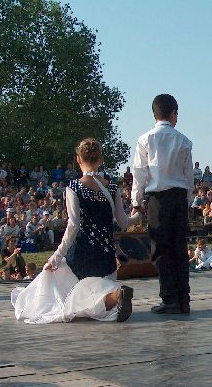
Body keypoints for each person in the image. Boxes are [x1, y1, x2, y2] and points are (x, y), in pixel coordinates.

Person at [11, 138, 139, 323]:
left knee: (63, 292)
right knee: (93, 295)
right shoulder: (112, 187)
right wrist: (137, 216)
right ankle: (114, 295)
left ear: (78, 159)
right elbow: (123, 222)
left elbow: (73, 225)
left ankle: (116, 295)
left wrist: (56, 256)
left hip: (81, 254)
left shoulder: (74, 187)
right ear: (101, 159)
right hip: (106, 256)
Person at [131, 94, 193, 315]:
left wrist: (136, 202)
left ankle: (170, 298)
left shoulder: (145, 139)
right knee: (179, 248)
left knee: (161, 249)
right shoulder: (184, 141)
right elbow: (188, 176)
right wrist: (188, 201)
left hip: (157, 198)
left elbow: (139, 173)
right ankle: (183, 299)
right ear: (173, 113)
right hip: (179, 196)